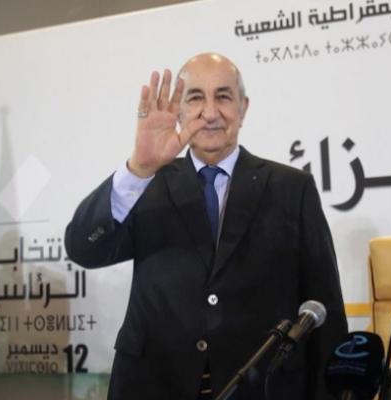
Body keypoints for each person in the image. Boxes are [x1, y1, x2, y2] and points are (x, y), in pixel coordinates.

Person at [65, 53, 348, 399]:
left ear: (243, 108)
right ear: (179, 111)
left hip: (262, 387)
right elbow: (83, 249)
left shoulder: (291, 188)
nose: (210, 113)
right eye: (196, 98)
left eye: (223, 97)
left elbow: (324, 305)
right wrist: (138, 168)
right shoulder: (146, 183)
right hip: (154, 385)